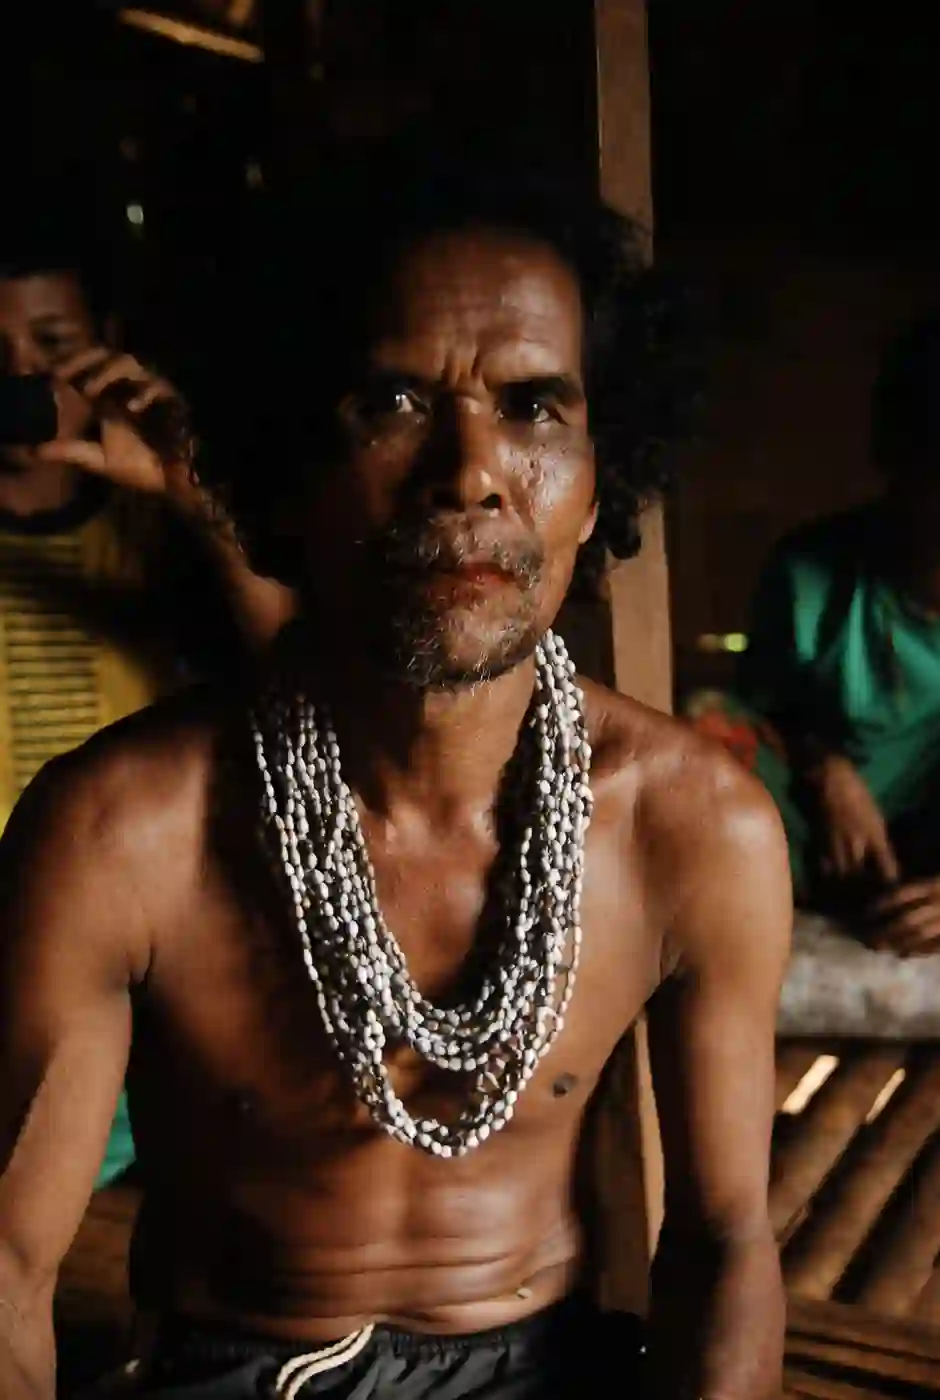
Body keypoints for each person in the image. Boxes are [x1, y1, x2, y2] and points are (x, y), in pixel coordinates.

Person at [0, 147, 789, 1400]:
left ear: (599, 485)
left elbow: (726, 1239)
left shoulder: (694, 828)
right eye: (396, 403)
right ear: (289, 471)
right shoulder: (120, 833)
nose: (469, 471)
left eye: (534, 407)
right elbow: (8, 1264)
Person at [0, 220, 294, 1191]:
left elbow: (309, 688)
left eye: (50, 344)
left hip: (144, 996)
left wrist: (190, 495)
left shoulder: (170, 535)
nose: (18, 374)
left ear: (107, 348)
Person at [693, 317, 940, 955]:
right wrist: (827, 772)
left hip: (928, 843)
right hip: (822, 836)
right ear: (897, 457)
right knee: (702, 733)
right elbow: (756, 715)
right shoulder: (811, 571)